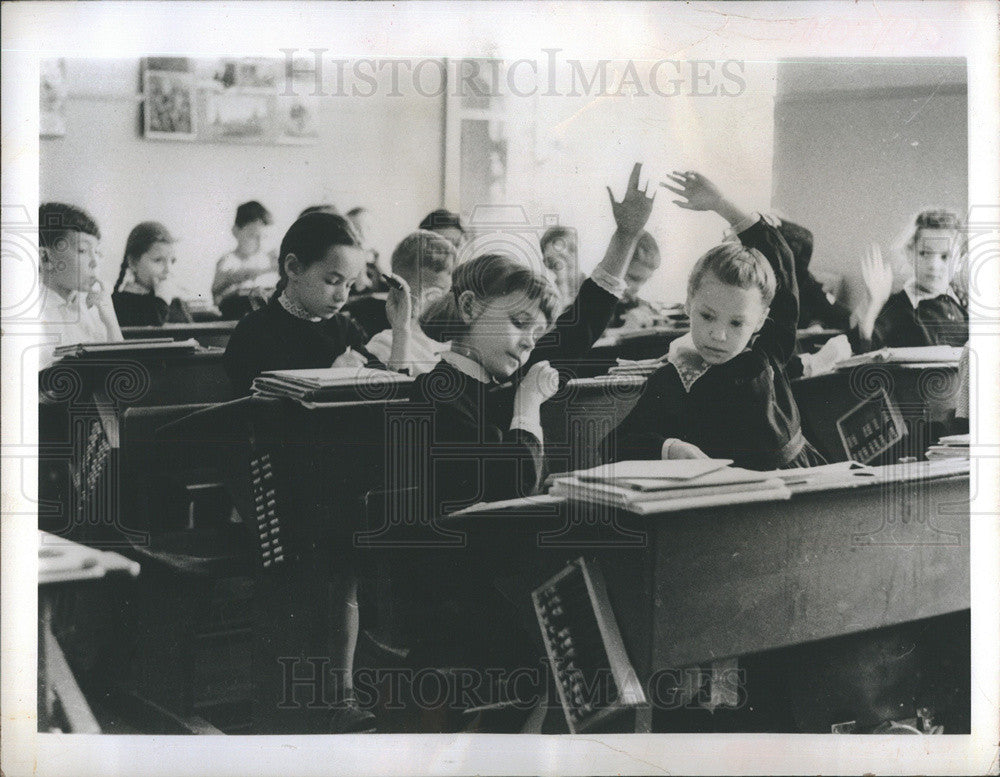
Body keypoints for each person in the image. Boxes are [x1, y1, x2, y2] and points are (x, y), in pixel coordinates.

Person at [605, 170, 823, 471]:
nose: (718, 335)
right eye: (707, 316)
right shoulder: (674, 378)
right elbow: (614, 445)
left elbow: (782, 262)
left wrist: (721, 204)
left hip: (799, 486)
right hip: (728, 503)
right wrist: (670, 448)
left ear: (760, 321)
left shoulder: (769, 353)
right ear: (688, 304)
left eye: (737, 324)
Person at [223, 211, 411, 396]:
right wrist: (331, 377)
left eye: (349, 284)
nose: (342, 296)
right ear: (294, 268)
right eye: (332, 281)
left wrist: (401, 330)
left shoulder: (345, 329)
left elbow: (388, 398)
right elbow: (250, 414)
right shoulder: (254, 331)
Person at [854, 210, 968, 350]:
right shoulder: (898, 306)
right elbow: (865, 351)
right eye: (924, 253)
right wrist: (872, 308)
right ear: (910, 254)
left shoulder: (963, 303)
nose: (933, 265)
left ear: (960, 262)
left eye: (945, 256)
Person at [37, 202, 123, 369]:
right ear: (46, 258)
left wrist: (111, 320)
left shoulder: (93, 305)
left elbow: (121, 371)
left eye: (97, 252)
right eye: (82, 250)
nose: (94, 262)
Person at [364, 230, 456, 375]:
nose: (442, 302)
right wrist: (401, 334)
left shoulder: (457, 342)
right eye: (433, 293)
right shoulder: (386, 343)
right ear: (398, 291)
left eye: (448, 292)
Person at [111, 221, 194, 326]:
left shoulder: (174, 301)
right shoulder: (121, 303)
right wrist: (161, 302)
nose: (168, 270)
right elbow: (150, 334)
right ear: (133, 263)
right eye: (158, 260)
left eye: (172, 261)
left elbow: (192, 336)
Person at [211, 200, 279, 319]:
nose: (259, 243)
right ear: (235, 231)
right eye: (253, 236)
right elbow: (216, 294)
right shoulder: (228, 260)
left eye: (263, 237)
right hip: (236, 319)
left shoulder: (267, 259)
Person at [610, 230, 662, 328]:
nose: (638, 288)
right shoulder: (586, 304)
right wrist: (627, 330)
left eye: (645, 280)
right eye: (633, 278)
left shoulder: (640, 304)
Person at [539, 225, 585, 307]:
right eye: (551, 260)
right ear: (546, 263)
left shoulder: (599, 288)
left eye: (572, 249)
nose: (567, 257)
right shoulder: (543, 296)